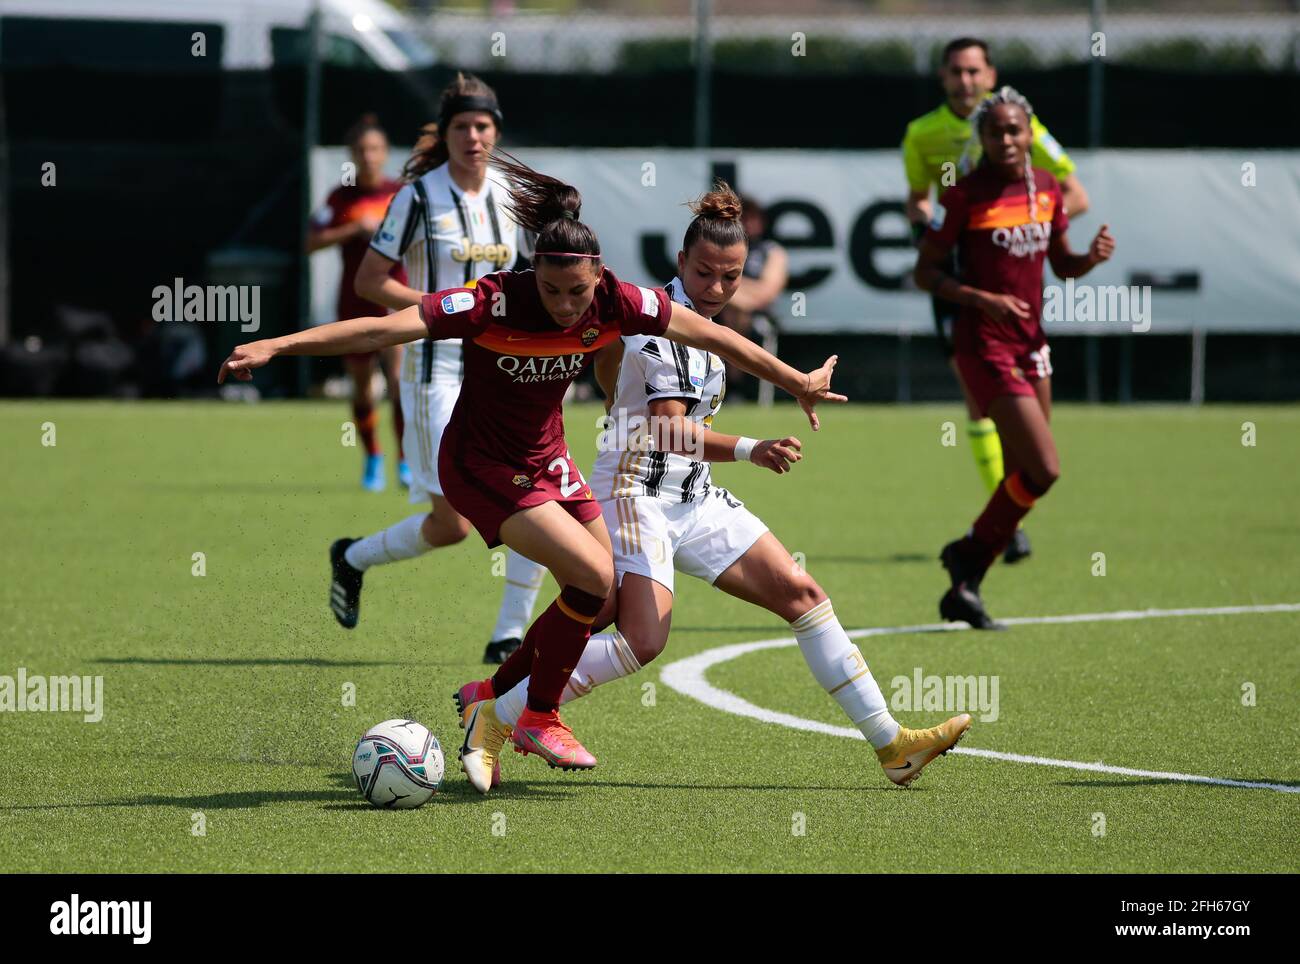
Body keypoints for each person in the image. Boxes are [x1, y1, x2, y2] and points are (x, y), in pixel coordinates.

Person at [218, 153, 844, 775]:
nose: (567, 305)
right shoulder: (489, 302)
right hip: (481, 465)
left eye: (579, 291)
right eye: (551, 290)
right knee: (595, 575)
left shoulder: (615, 301)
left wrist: (794, 382)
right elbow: (381, 330)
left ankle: (486, 699)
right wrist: (277, 344)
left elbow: (712, 335)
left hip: (549, 461)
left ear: (599, 276)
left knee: (603, 598)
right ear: (531, 273)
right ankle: (537, 716)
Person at [452, 182, 970, 795]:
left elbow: (720, 380)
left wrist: (792, 386)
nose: (718, 288)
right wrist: (753, 448)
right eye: (705, 273)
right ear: (679, 263)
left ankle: (891, 744)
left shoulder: (707, 330)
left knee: (801, 594)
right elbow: (669, 431)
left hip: (693, 497)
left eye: (731, 277)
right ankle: (499, 712)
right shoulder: (655, 325)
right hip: (633, 492)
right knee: (640, 636)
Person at [325, 75, 541, 665]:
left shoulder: (509, 194)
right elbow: (370, 281)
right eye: (462, 127)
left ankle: (508, 635)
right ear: (445, 135)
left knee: (535, 496)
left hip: (502, 368)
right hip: (433, 371)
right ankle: (353, 557)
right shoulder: (417, 197)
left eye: (483, 126)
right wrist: (431, 311)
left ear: (496, 132)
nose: (473, 137)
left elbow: (527, 277)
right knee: (451, 526)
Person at [913, 87, 1115, 628]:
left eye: (1014, 130)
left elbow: (1063, 264)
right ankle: (970, 558)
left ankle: (967, 573)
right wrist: (981, 299)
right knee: (1045, 466)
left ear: (1030, 135)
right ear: (980, 138)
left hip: (1032, 341)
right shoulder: (963, 194)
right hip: (983, 342)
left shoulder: (1047, 189)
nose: (1005, 139)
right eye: (995, 131)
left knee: (1030, 473)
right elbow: (924, 272)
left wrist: (1087, 261)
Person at [902, 37, 1090, 564]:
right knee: (975, 393)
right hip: (962, 281)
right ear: (943, 77)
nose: (965, 81)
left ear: (990, 74)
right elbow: (919, 198)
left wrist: (1026, 220)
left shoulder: (1017, 124)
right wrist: (939, 225)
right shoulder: (922, 133)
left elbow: (1072, 193)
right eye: (956, 72)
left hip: (1015, 287)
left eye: (974, 71)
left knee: (1034, 437)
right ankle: (1002, 526)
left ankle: (1003, 513)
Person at [307, 114, 407, 492]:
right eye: (362, 150)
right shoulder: (340, 196)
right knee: (363, 387)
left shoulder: (399, 194)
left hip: (394, 297)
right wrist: (354, 229)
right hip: (354, 300)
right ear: (352, 154)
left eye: (376, 149)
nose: (369, 156)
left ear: (384, 154)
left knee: (398, 382)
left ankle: (404, 461)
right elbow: (311, 241)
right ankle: (373, 458)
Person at [715, 195, 788, 399]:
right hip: (719, 311)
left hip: (758, 315)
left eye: (752, 218)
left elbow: (767, 292)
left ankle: (736, 385)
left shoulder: (772, 252)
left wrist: (730, 289)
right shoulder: (721, 250)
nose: (748, 224)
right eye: (743, 218)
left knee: (737, 311)